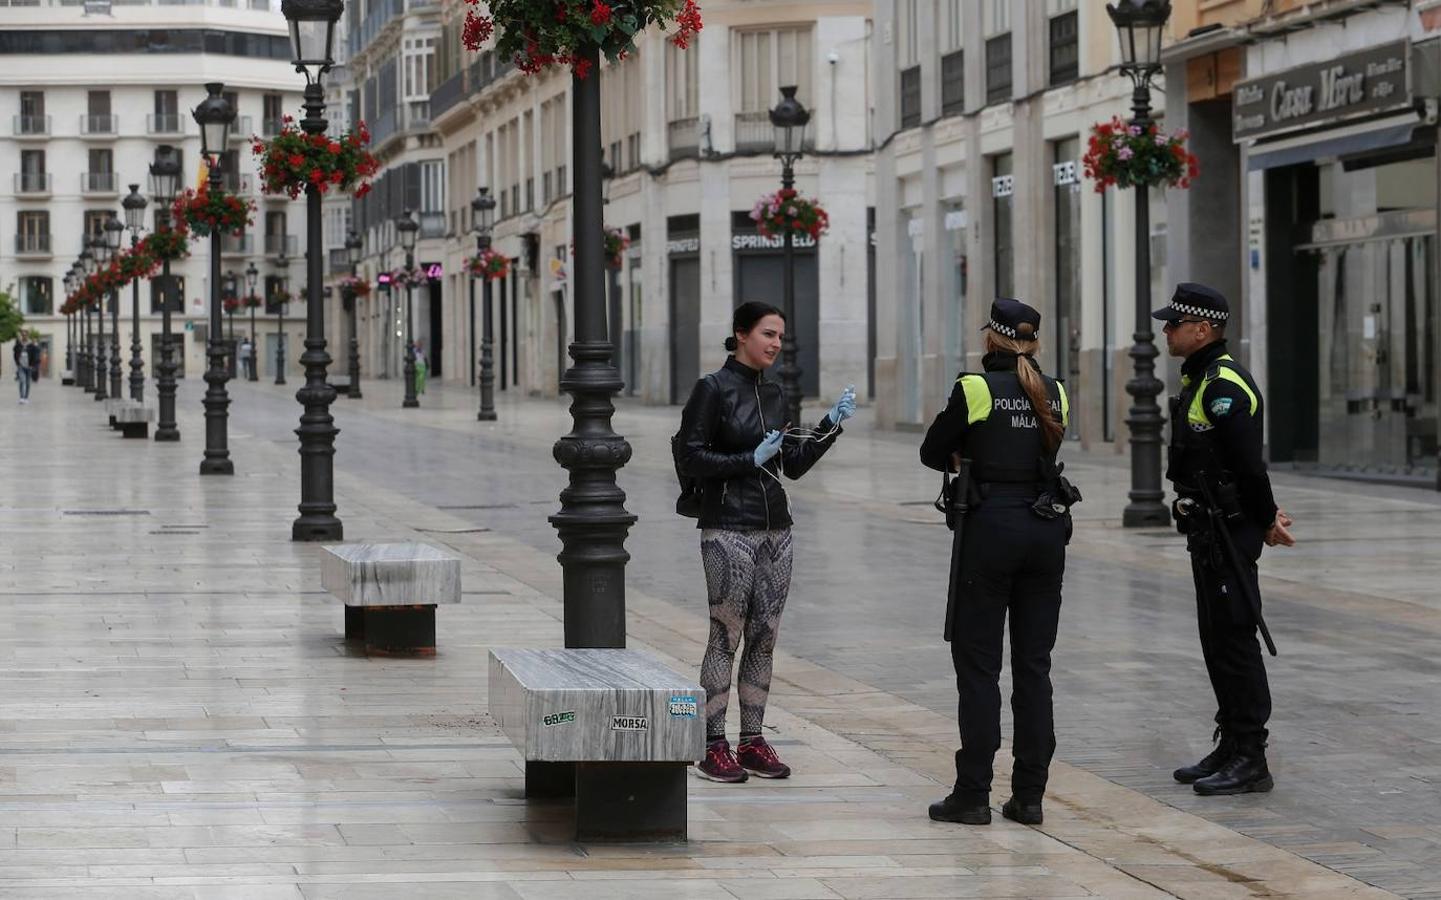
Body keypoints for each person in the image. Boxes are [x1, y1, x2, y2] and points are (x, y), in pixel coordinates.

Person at [675, 301, 857, 783]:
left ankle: (751, 740)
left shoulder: (775, 392)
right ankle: (710, 743)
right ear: (741, 335)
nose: (776, 343)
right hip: (727, 528)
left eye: (780, 335)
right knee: (725, 634)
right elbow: (692, 457)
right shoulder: (711, 389)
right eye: (768, 334)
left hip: (777, 529)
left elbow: (791, 464)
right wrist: (745, 459)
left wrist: (829, 427)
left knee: (765, 636)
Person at [920, 298, 1074, 827]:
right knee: (1035, 668)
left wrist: (966, 452)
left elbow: (931, 450)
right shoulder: (1054, 391)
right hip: (1045, 529)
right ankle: (1029, 795)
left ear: (992, 338)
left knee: (980, 668)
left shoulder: (975, 388)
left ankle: (973, 793)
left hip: (991, 533)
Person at [1154, 283, 1294, 796]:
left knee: (1235, 639)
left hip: (1228, 527)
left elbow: (1248, 467)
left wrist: (1263, 519)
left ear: (1203, 329)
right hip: (1208, 526)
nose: (1166, 331)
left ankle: (1252, 757)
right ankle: (1231, 741)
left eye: (1173, 324)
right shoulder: (1201, 377)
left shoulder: (1224, 384)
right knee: (1216, 638)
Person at [14, 339, 29, 404]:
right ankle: (21, 397)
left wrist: (34, 365)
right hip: (21, 367)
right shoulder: (18, 348)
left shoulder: (30, 347)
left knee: (28, 383)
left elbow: (35, 355)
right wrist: (18, 363)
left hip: (29, 367)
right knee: (22, 381)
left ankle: (26, 397)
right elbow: (15, 355)